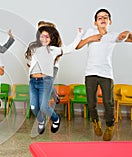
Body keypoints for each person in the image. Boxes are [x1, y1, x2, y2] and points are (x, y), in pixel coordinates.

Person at [76, 8, 132, 141]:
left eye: (105, 17)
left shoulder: (114, 36)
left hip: (106, 74)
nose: (102, 19)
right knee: (91, 102)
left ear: (110, 21)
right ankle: (96, 121)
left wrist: (128, 33)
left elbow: (127, 39)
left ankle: (110, 125)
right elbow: (78, 46)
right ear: (95, 22)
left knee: (108, 102)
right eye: (100, 17)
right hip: (90, 73)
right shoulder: (90, 32)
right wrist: (92, 38)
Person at [25, 26, 82, 135]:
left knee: (43, 106)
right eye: (42, 36)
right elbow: (31, 61)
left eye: (48, 37)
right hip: (33, 81)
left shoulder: (53, 50)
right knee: (33, 107)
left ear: (51, 39)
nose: (45, 39)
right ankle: (41, 121)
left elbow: (69, 49)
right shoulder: (33, 48)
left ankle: (56, 119)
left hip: (45, 81)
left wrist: (79, 35)